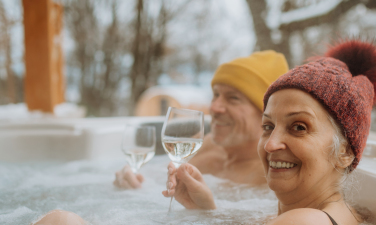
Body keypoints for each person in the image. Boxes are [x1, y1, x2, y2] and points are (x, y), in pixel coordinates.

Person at [166, 40, 376, 225]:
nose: (271, 145)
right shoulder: (322, 217)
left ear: (345, 152)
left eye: (299, 127)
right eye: (268, 126)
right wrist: (206, 212)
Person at [114, 51, 289, 189]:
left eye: (233, 98)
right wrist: (130, 175)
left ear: (267, 112)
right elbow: (154, 178)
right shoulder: (207, 145)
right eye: (216, 95)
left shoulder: (273, 176)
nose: (214, 108)